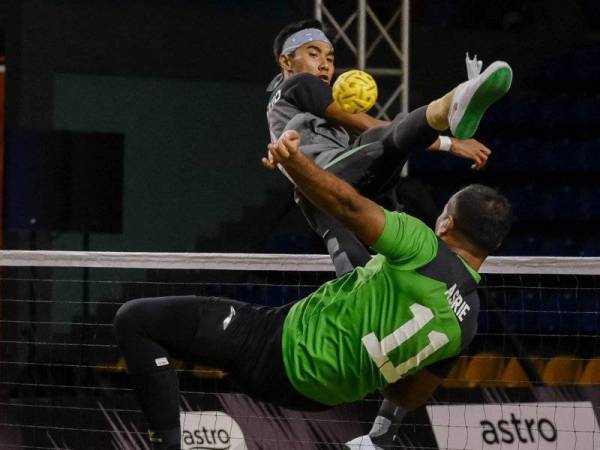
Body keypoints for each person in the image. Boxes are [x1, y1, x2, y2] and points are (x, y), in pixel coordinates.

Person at [114, 78, 512, 449]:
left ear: (447, 222)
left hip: (277, 349)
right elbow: (407, 394)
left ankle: (443, 109)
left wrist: (293, 162)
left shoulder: (423, 246)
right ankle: (443, 111)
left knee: (137, 320)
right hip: (323, 396)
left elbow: (346, 204)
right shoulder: (468, 322)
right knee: (382, 153)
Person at [267, 19, 499, 277]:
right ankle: (451, 103)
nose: (324, 64)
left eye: (330, 58)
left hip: (335, 186)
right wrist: (449, 143)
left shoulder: (279, 105)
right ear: (286, 62)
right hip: (334, 173)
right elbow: (364, 124)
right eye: (313, 54)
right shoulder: (298, 83)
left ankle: (361, 291)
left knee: (341, 234)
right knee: (389, 138)